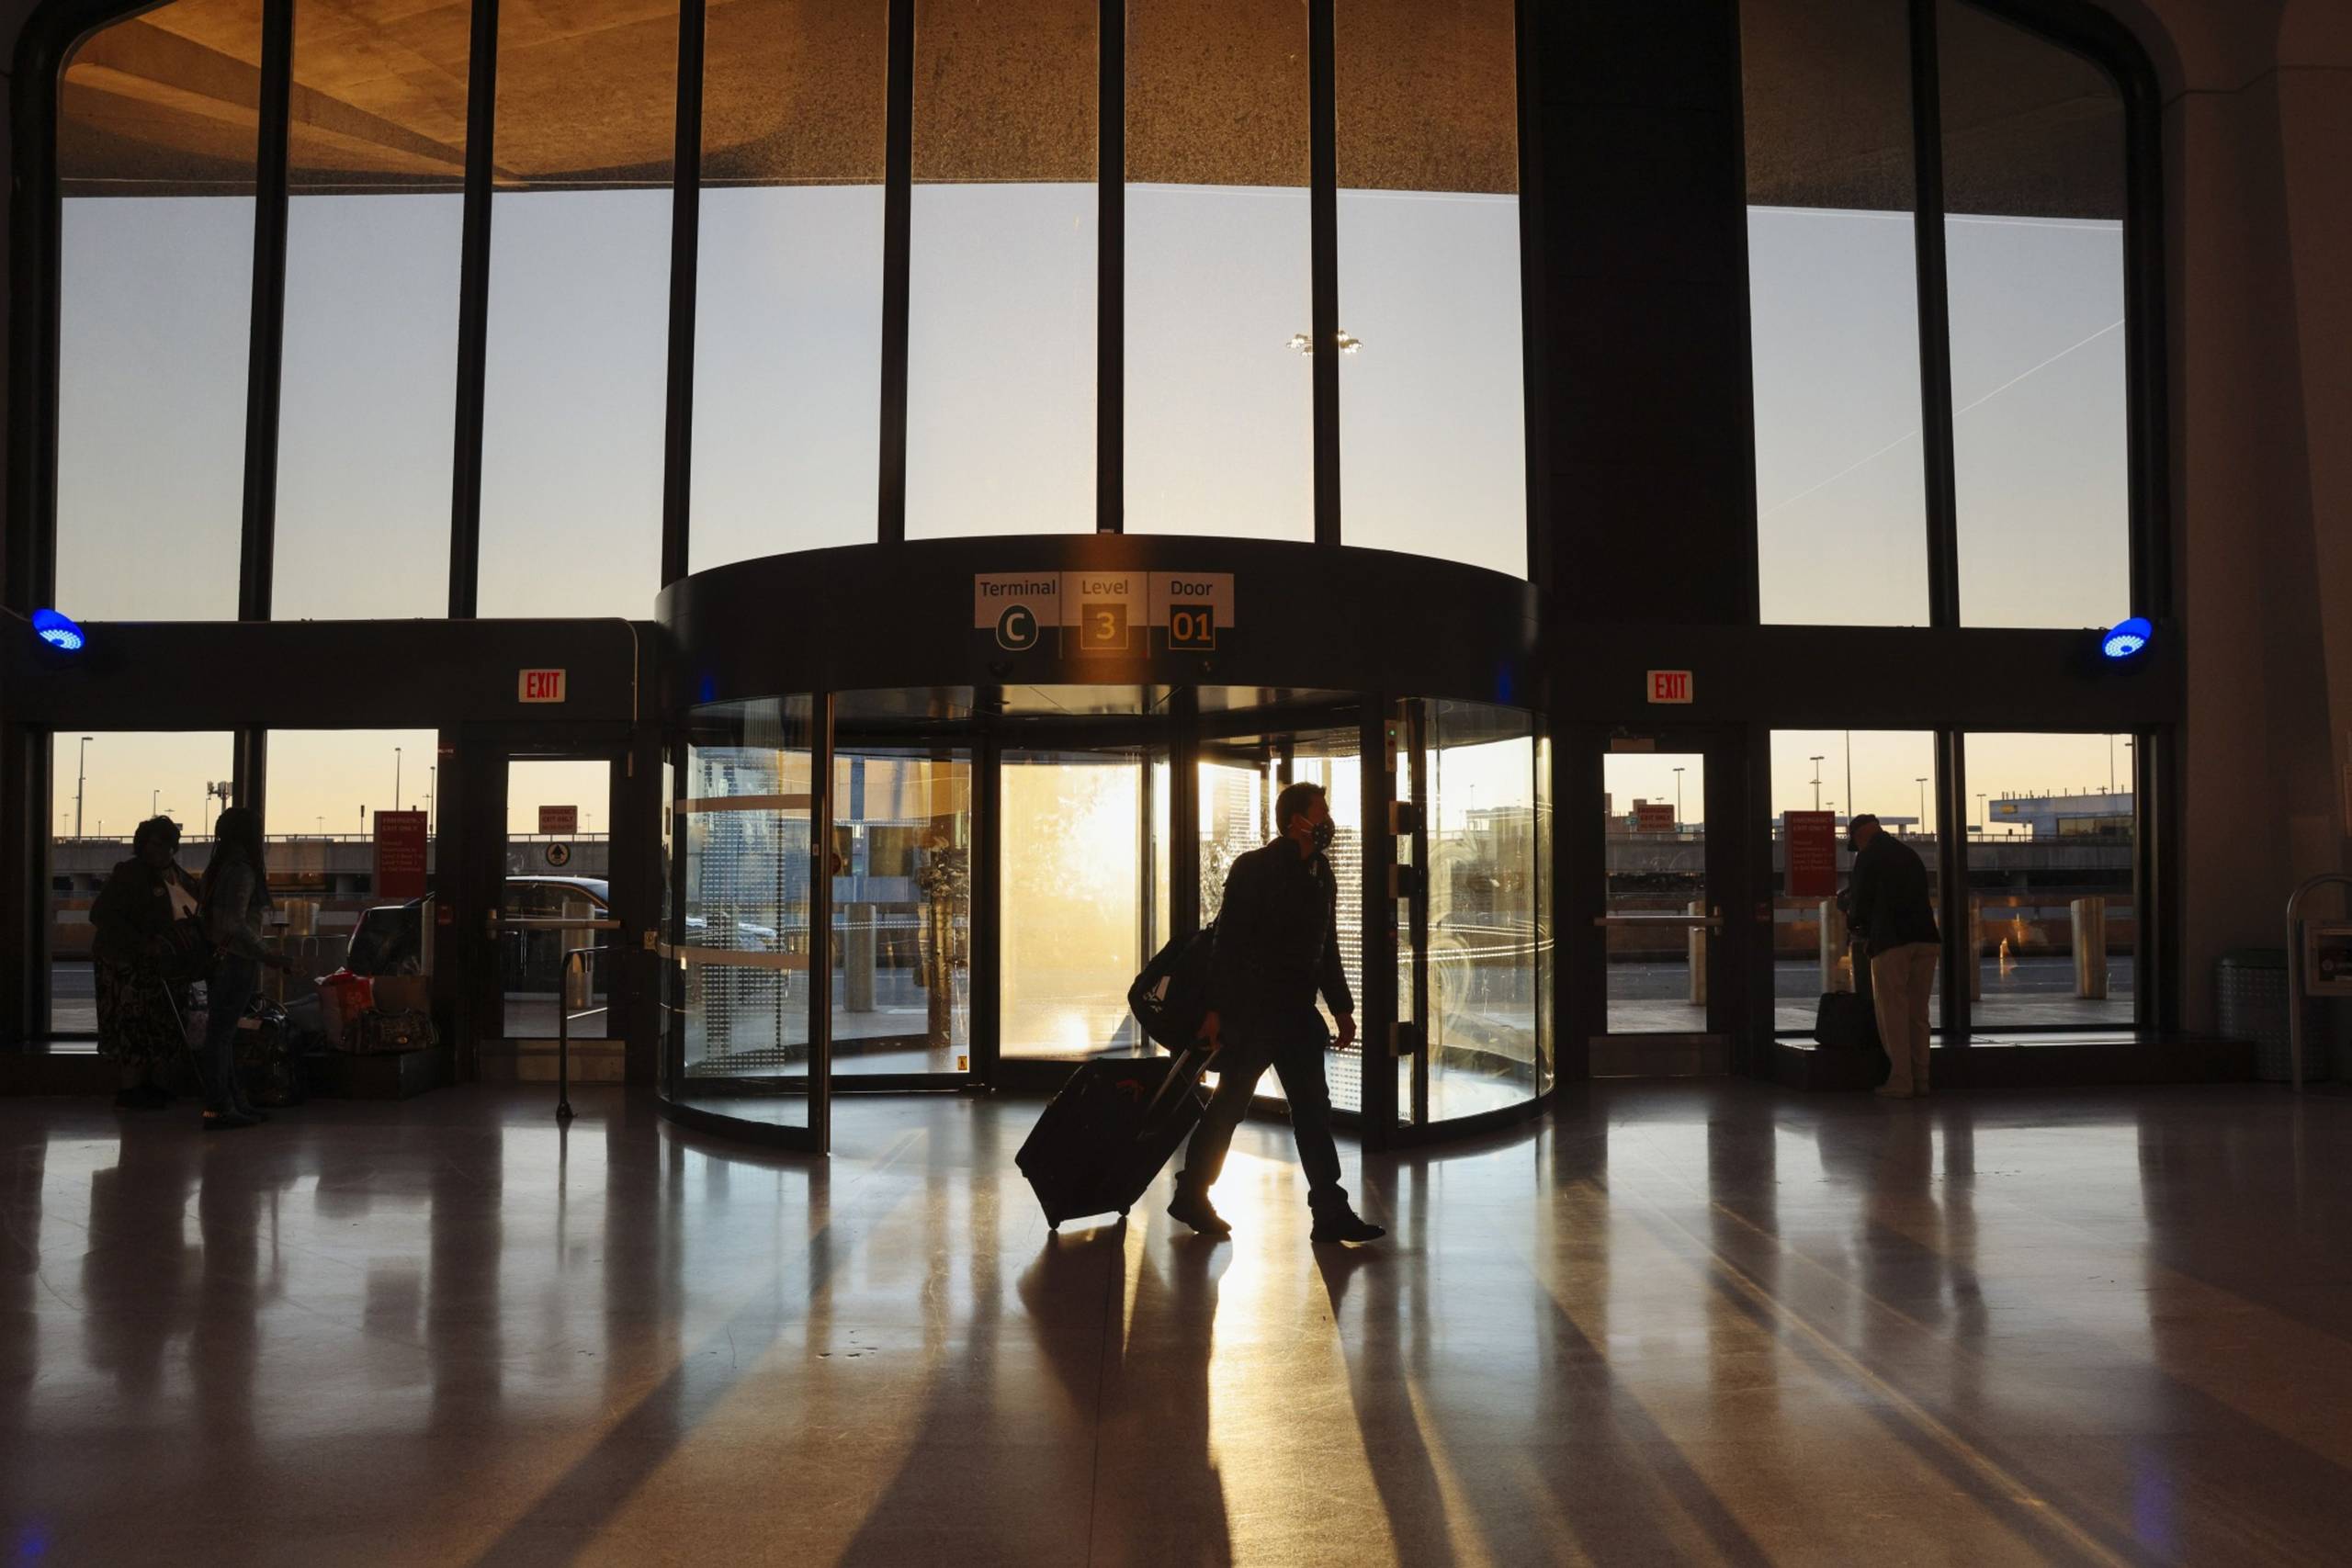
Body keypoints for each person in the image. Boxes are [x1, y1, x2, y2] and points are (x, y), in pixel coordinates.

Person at [1168, 781, 1385, 1245]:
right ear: (1295, 821)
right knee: (1231, 1104)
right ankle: (1191, 1193)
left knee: (1313, 1110)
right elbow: (1226, 945)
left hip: (1298, 1015)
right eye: (1321, 814)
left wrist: (1342, 1009)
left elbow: (1327, 949)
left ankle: (1329, 1210)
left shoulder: (1322, 873)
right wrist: (1215, 1010)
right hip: (1253, 1013)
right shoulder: (1255, 869)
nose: (1328, 823)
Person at [87, 816, 204, 1108]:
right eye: (153, 843)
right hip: (128, 965)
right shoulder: (129, 874)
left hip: (166, 965)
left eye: (164, 844)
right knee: (133, 1024)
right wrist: (143, 943)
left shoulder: (182, 878)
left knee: (163, 1024)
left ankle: (157, 1085)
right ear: (142, 845)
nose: (159, 850)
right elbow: (101, 915)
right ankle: (132, 1088)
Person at [197, 807, 286, 1130]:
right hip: (237, 959)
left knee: (221, 1034)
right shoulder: (243, 870)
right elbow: (235, 921)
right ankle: (221, 1105)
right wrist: (266, 953)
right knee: (222, 1036)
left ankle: (231, 1102)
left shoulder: (216, 868)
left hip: (219, 958)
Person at [1844, 812, 1940, 1098]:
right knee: (1918, 1014)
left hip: (1892, 942)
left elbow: (1859, 904)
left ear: (1859, 836)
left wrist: (1854, 924)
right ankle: (1922, 1079)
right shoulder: (1908, 853)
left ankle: (1901, 1081)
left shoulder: (1868, 856)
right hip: (1926, 939)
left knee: (1893, 1014)